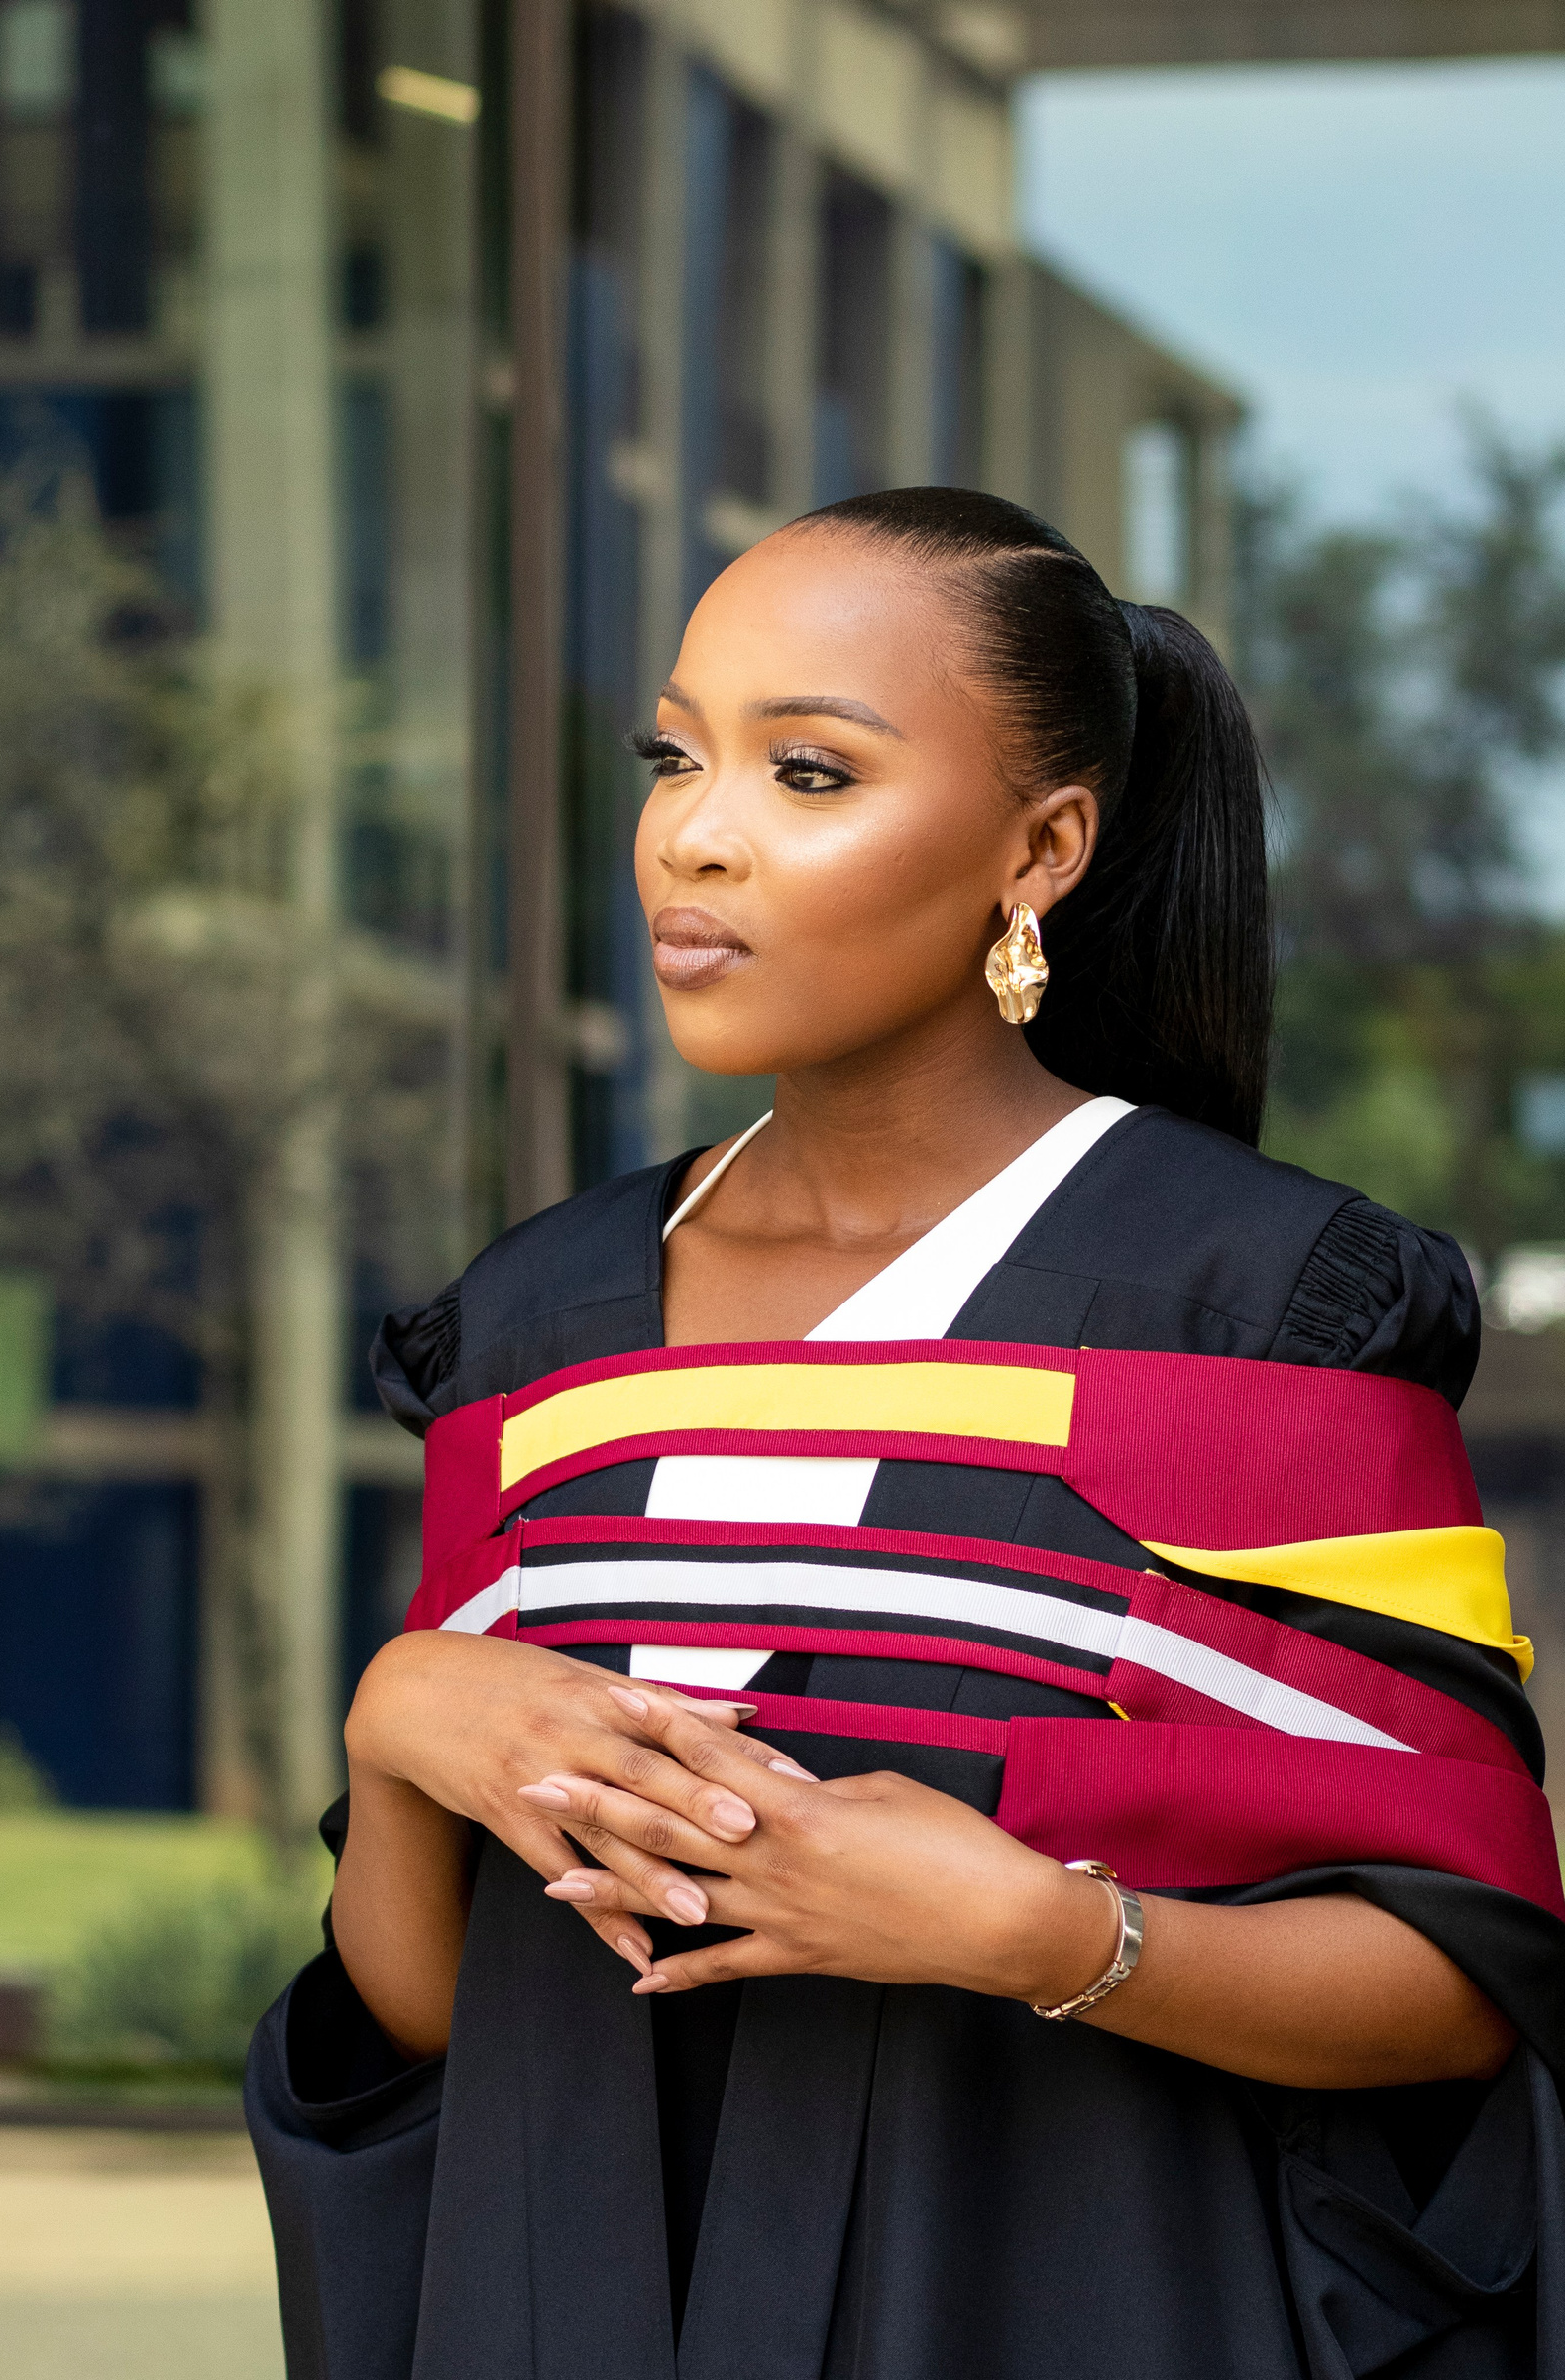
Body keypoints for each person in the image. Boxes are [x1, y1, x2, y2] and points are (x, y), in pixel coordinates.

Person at [246, 488, 1565, 2380]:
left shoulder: (1260, 1307)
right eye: (674, 756)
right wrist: (396, 1738)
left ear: (1043, 847)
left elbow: (1460, 1983)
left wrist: (1043, 1934)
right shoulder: (535, 1332)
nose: (695, 835)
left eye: (808, 771)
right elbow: (447, 2020)